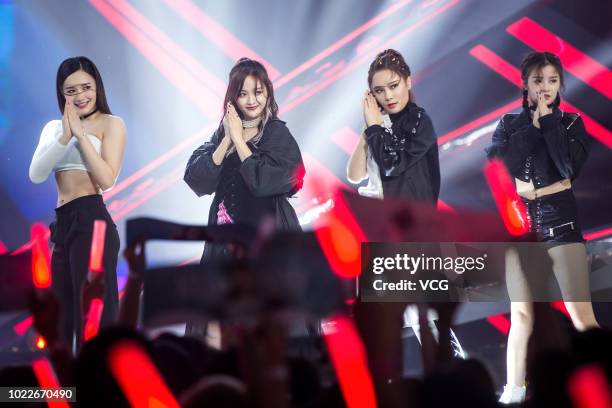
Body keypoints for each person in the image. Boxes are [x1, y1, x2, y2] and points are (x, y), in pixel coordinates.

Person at [486, 51, 598, 404]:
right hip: (521, 228)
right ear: (525, 83)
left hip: (561, 223)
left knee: (580, 312)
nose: (545, 88)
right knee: (521, 313)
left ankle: (600, 378)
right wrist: (533, 128)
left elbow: (567, 169)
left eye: (552, 80)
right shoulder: (508, 125)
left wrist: (548, 124)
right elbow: (501, 169)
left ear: (560, 83)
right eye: (538, 80)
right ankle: (513, 392)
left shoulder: (571, 124)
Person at [184, 58, 304, 337]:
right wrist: (227, 139)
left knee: (269, 325)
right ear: (232, 98)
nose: (251, 100)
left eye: (258, 92)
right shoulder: (220, 136)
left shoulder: (276, 133)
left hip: (269, 246)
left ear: (268, 94)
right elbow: (196, 179)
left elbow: (270, 182)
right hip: (225, 246)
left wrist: (239, 141)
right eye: (243, 93)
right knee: (218, 324)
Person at [29, 56, 126, 350]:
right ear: (62, 94)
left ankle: (97, 387)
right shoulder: (52, 128)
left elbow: (107, 179)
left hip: (91, 219)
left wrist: (81, 137)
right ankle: (65, 390)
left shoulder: (111, 124)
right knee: (60, 320)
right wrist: (65, 135)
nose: (81, 95)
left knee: (92, 317)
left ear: (97, 86)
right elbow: (36, 174)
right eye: (71, 91)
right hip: (62, 224)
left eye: (86, 87)